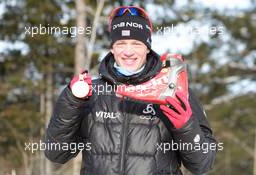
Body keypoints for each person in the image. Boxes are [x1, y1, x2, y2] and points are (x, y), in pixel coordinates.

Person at [45, 6, 217, 175]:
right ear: (112, 48)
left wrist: (186, 127)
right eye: (121, 43)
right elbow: (56, 153)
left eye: (136, 43)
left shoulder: (172, 88)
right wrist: (70, 103)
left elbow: (203, 165)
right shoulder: (92, 92)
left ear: (147, 47)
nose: (128, 51)